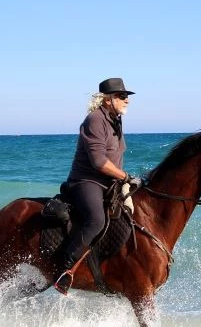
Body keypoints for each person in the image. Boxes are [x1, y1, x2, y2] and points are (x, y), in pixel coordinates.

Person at [54, 77, 141, 295]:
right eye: (122, 96)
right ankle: (65, 268)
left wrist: (125, 182)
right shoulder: (94, 120)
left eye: (126, 96)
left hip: (109, 183)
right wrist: (126, 177)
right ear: (109, 100)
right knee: (96, 219)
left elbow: (114, 158)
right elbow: (99, 162)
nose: (126, 100)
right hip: (86, 181)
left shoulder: (115, 120)